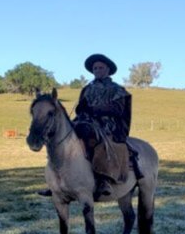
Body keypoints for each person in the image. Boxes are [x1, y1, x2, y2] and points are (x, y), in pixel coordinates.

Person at [38, 53, 143, 198]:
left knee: (92, 138)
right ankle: (58, 182)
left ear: (107, 70)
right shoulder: (87, 88)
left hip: (107, 124)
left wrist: (97, 109)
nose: (97, 70)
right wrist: (82, 108)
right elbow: (82, 107)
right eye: (95, 68)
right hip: (86, 120)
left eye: (100, 68)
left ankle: (103, 179)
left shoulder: (117, 89)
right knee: (63, 136)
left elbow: (119, 109)